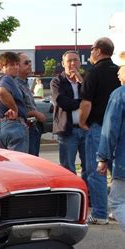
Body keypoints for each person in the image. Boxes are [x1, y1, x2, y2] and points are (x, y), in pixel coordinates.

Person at [78, 37, 120, 225]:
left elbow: (86, 103)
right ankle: (118, 210)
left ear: (98, 51)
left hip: (98, 128)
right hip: (120, 129)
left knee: (97, 171)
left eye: (92, 49)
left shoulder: (93, 73)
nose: (91, 52)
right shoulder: (119, 71)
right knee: (118, 170)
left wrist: (82, 122)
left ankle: (101, 213)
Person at [97, 52, 125, 232]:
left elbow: (110, 130)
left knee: (117, 201)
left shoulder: (119, 95)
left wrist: (103, 157)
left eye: (121, 68)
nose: (118, 73)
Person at [50, 50, 87, 182]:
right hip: (67, 130)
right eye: (69, 60)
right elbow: (63, 103)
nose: (72, 63)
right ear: (63, 63)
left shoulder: (85, 80)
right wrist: (82, 103)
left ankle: (87, 194)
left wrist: (81, 81)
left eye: (75, 60)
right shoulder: (57, 81)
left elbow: (92, 99)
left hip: (86, 129)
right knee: (68, 167)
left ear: (80, 63)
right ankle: (73, 195)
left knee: (88, 166)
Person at [0, 51, 29, 152]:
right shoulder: (7, 78)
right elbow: (2, 92)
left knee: (6, 165)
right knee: (18, 164)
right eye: (11, 65)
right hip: (14, 126)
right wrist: (14, 109)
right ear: (1, 66)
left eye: (17, 64)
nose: (16, 67)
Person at [15, 53, 46, 156]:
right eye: (26, 63)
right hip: (24, 129)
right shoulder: (15, 85)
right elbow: (16, 109)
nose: (29, 65)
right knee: (28, 162)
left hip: (33, 128)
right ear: (17, 65)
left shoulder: (25, 83)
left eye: (30, 62)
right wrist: (35, 113)